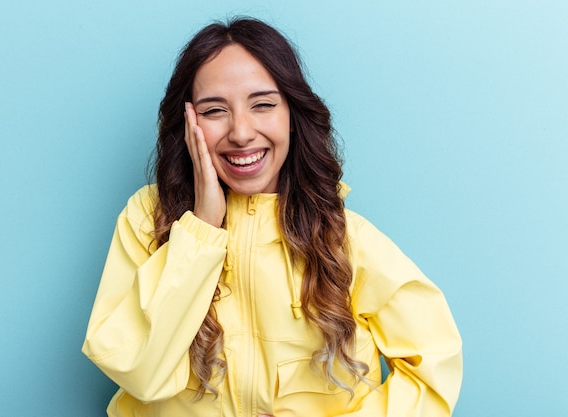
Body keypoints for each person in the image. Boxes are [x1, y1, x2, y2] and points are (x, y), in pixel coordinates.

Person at [82, 17, 463, 417]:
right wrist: (202, 229)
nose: (242, 133)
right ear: (189, 123)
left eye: (263, 105)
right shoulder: (147, 219)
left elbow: (434, 367)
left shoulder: (345, 240)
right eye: (215, 111)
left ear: (292, 116)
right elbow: (135, 370)